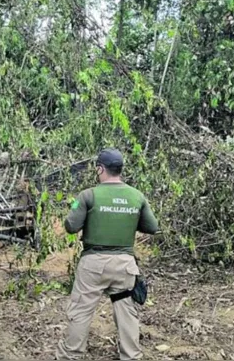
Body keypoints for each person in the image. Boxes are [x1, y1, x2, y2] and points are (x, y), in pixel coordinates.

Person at [56, 148, 159, 360]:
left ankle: (71, 355)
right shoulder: (137, 196)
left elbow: (70, 226)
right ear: (120, 169)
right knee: (126, 312)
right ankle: (131, 356)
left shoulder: (87, 195)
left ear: (100, 169)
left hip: (93, 264)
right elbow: (152, 227)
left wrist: (74, 204)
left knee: (81, 312)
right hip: (125, 265)